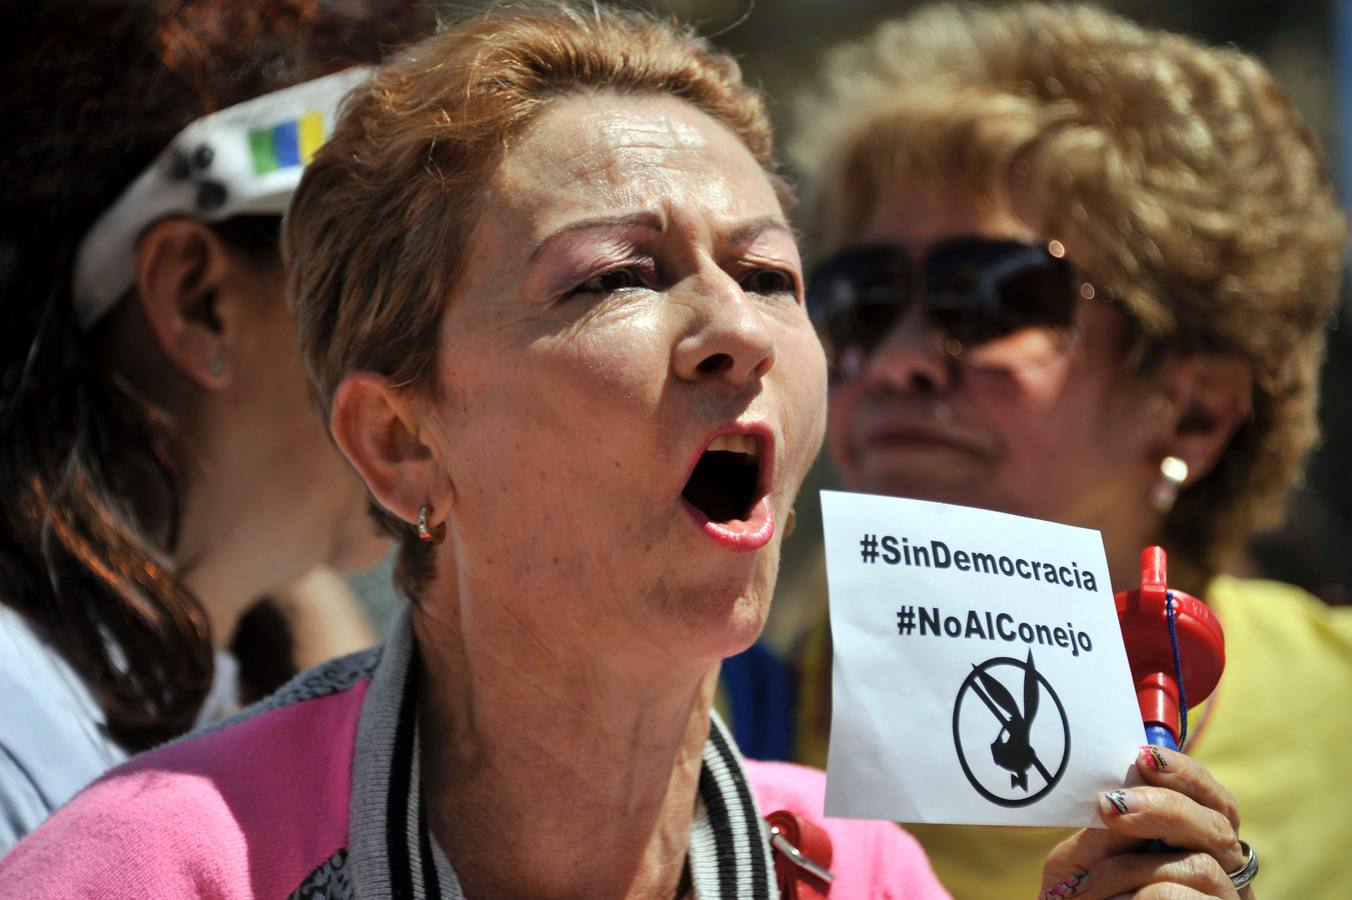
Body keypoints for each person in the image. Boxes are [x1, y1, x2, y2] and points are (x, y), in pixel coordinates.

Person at [0, 6, 1259, 898]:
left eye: (771, 274)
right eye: (613, 277)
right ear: (398, 444)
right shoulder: (148, 870)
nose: (736, 332)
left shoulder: (860, 871)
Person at [785, 3, 1352, 897]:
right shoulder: (705, 724)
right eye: (860, 301)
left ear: (1196, 412)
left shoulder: (1342, 708)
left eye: (990, 299)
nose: (895, 364)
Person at [0, 0, 432, 850]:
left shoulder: (209, 685)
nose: (450, 345)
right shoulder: (18, 733)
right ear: (199, 300)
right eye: (392, 277)